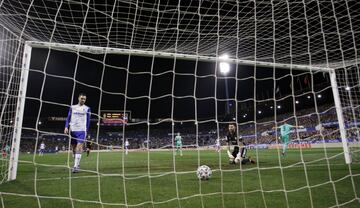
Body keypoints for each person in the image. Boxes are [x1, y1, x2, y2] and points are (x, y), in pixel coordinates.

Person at [64, 93, 91, 173]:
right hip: (72, 130)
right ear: (78, 98)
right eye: (82, 98)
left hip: (82, 130)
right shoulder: (72, 107)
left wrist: (87, 130)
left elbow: (88, 120)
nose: (83, 100)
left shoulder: (87, 108)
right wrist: (66, 127)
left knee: (79, 147)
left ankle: (75, 167)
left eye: (84, 99)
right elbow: (68, 117)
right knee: (74, 148)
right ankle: (77, 163)